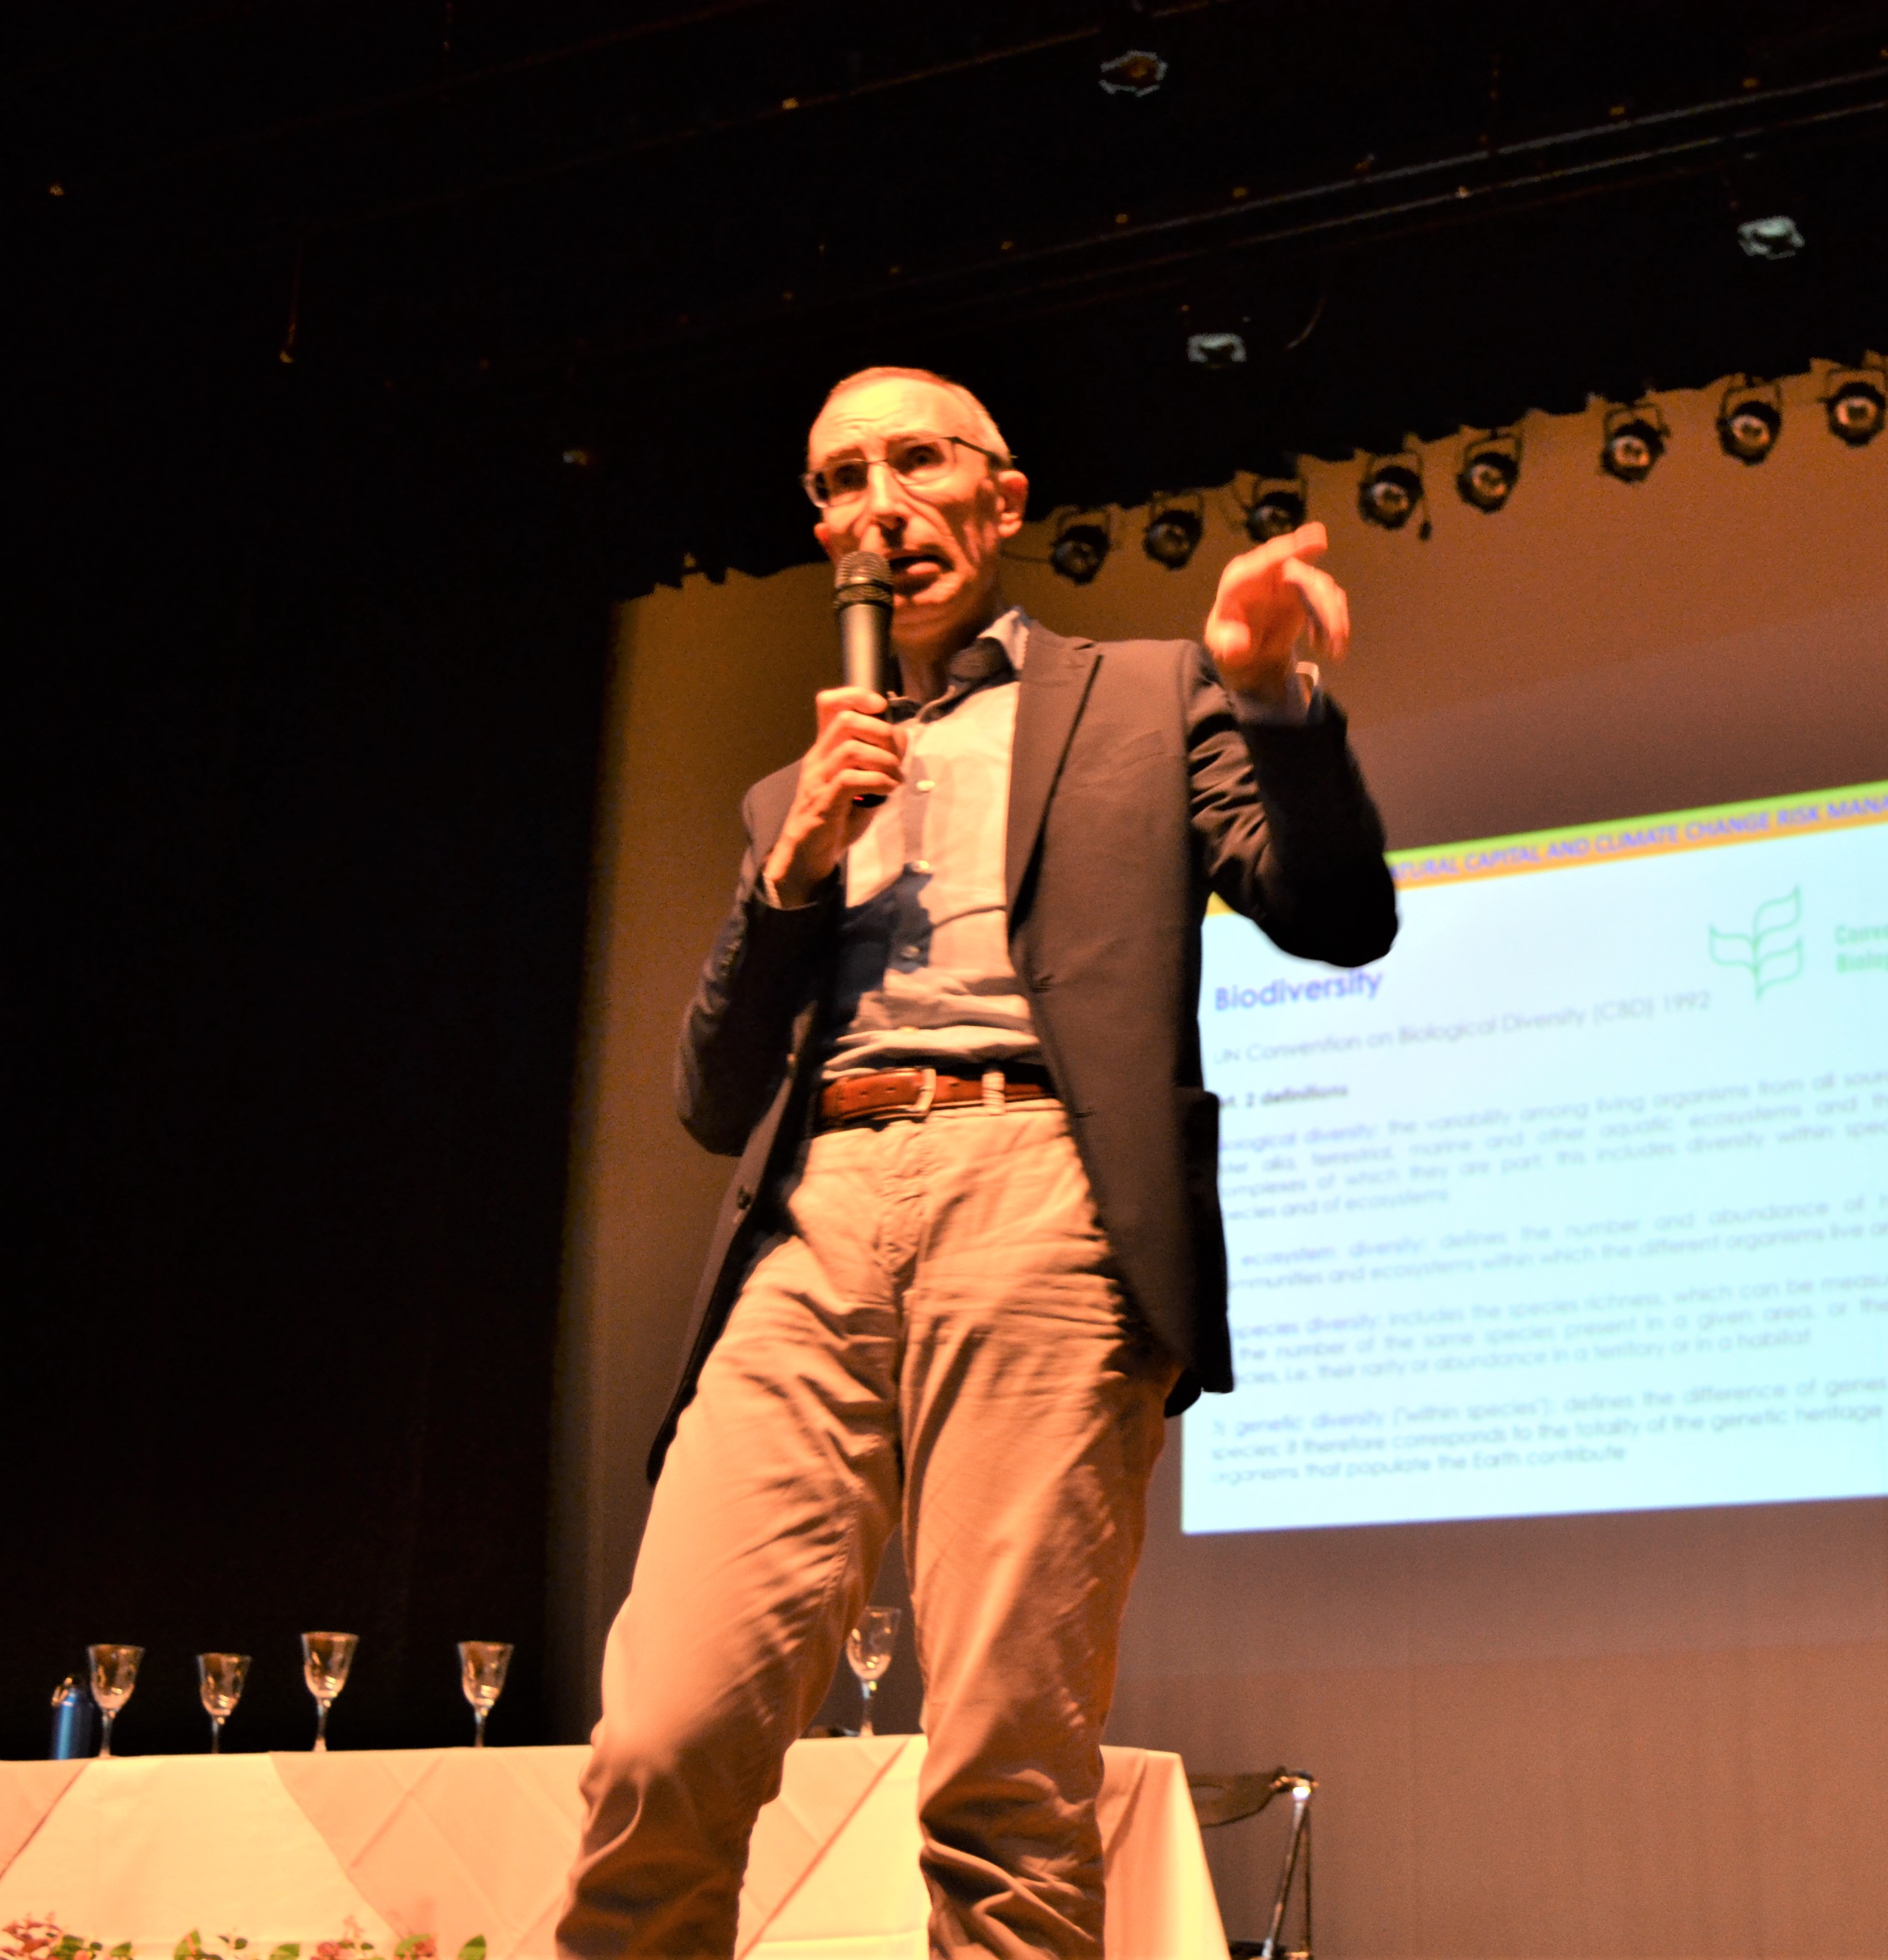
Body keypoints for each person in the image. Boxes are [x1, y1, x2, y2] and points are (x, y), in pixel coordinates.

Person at [556, 365, 1396, 1959]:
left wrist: (1278, 701)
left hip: (1040, 1188)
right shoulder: (785, 788)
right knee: (660, 1738)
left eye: (917, 463)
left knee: (1004, 1778)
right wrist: (787, 876)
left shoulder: (1144, 696)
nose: (878, 505)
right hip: (818, 1219)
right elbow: (713, 1096)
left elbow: (1335, 914)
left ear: (1002, 499)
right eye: (839, 480)